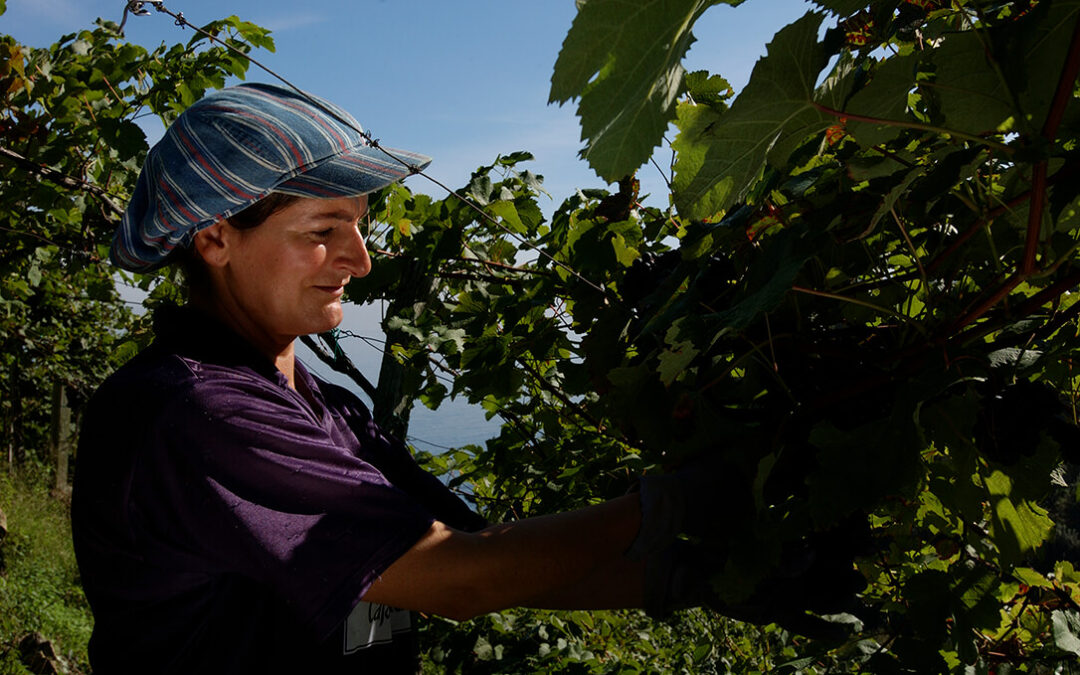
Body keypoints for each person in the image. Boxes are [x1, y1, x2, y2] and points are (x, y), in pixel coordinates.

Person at [71, 83, 706, 674]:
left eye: (359, 225)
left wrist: (691, 576)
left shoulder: (323, 408)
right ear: (214, 238)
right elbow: (461, 578)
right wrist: (678, 501)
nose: (361, 260)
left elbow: (474, 549)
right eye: (323, 232)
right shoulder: (196, 413)